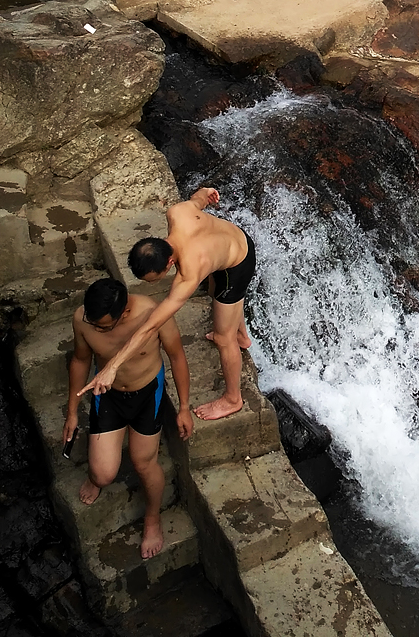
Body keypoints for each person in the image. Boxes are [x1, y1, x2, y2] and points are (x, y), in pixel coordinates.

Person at [80, 187, 255, 422]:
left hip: (238, 264)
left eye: (157, 278)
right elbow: (198, 198)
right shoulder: (177, 213)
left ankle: (233, 399)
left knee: (225, 337)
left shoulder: (189, 275)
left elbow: (151, 325)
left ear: (170, 262)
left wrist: (112, 366)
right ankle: (242, 334)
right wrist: (208, 192)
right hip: (234, 239)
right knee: (217, 293)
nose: (155, 284)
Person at [64, 278, 193, 559]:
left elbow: (177, 355)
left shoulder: (151, 313)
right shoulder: (81, 319)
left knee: (142, 462)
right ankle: (95, 477)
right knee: (102, 474)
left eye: (103, 326)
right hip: (108, 395)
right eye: (93, 323)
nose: (97, 329)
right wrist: (72, 411)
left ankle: (152, 519)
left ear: (124, 313)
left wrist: (184, 407)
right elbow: (81, 360)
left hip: (147, 394)